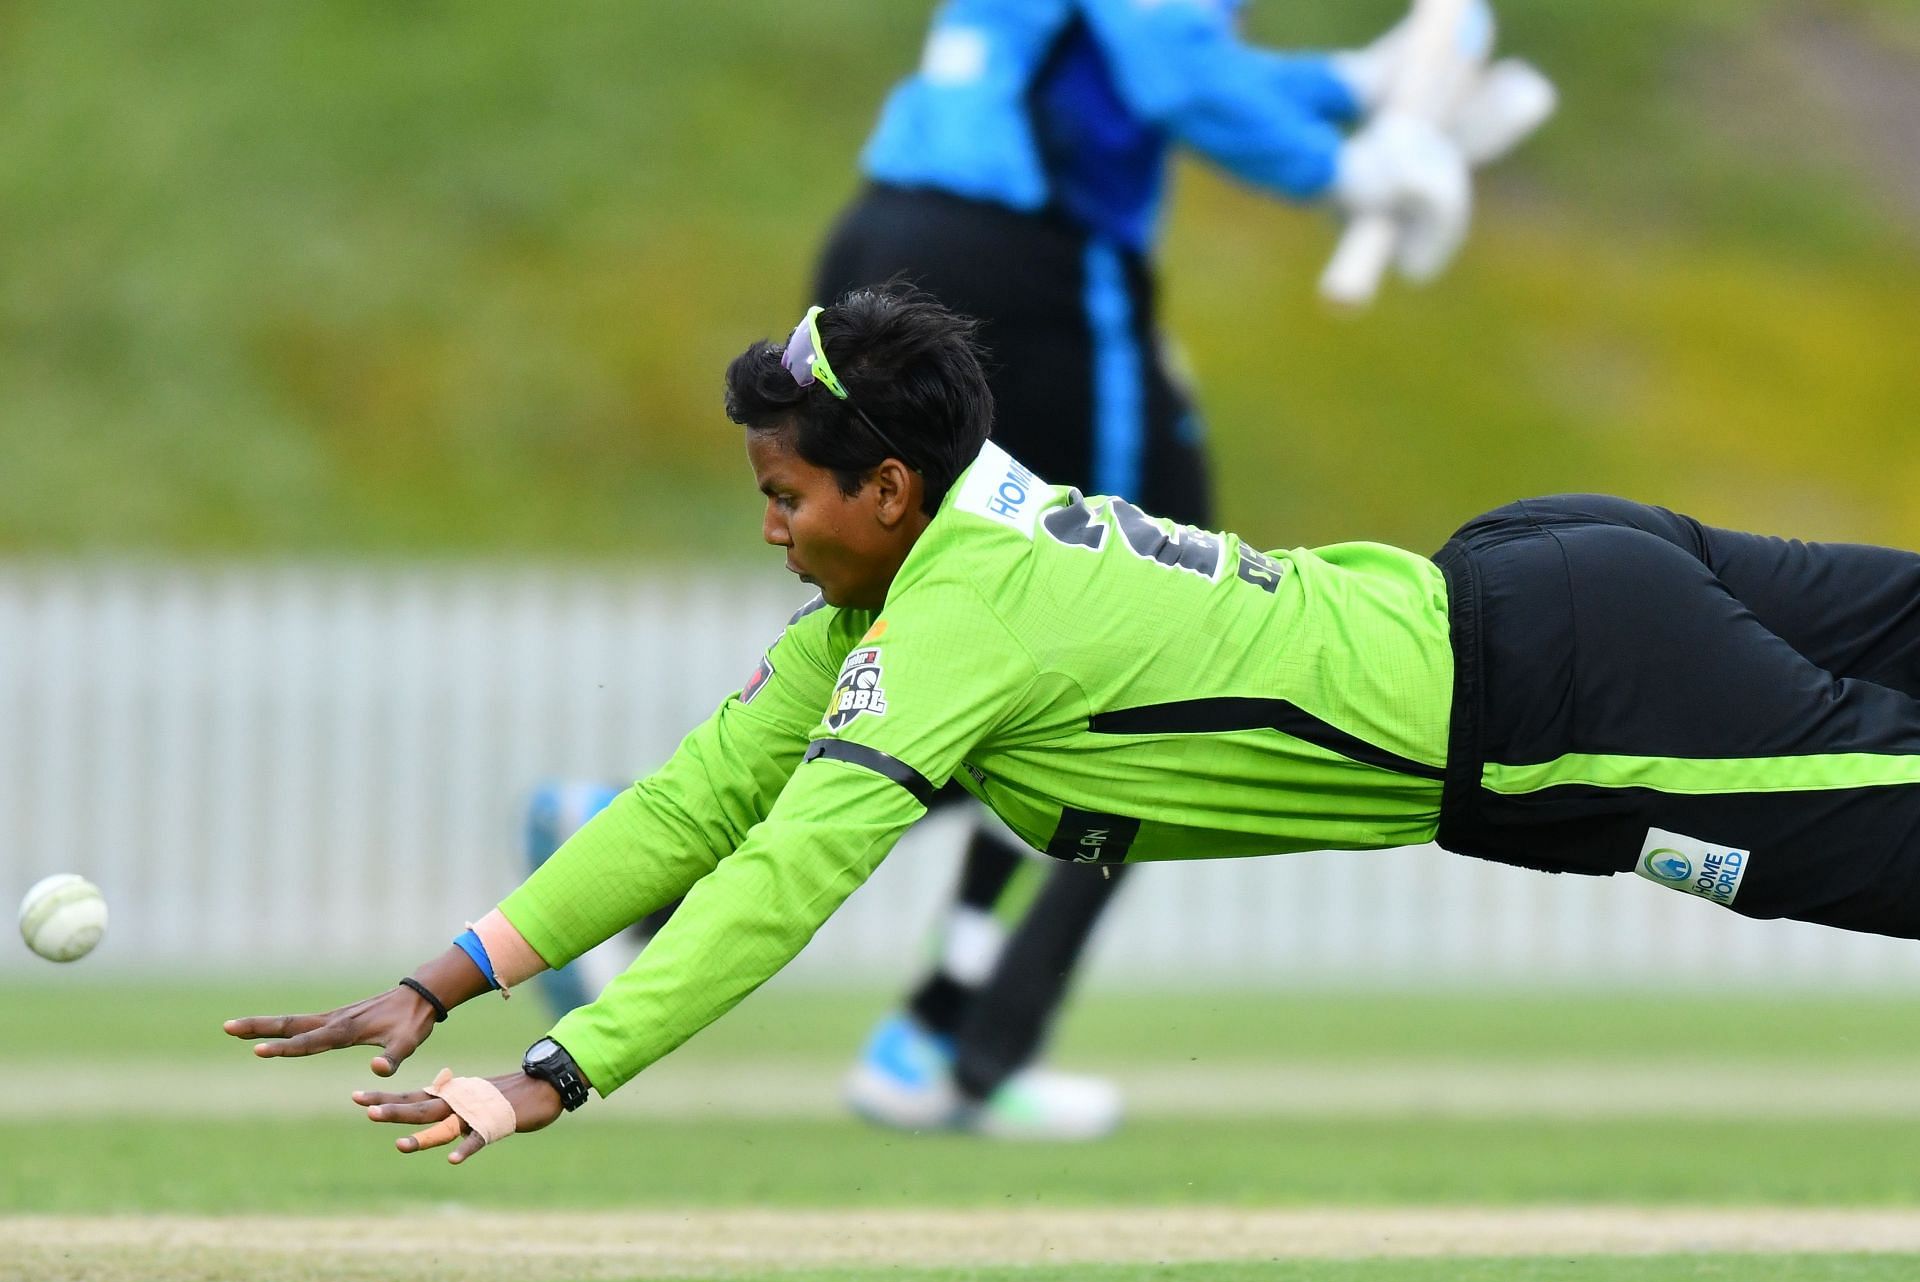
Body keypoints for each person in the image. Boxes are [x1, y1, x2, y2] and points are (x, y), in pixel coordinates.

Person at [228, 289, 1920, 1164]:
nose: (771, 527)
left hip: (1573, 707)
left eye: (785, 493)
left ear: (885, 485)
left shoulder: (957, 620)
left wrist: (552, 1071)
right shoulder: (924, 573)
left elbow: (793, 868)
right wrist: (448, 973)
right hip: (1549, 567)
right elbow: (697, 805)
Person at [527, 0, 1547, 1140]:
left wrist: (1353, 89)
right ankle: (948, 1035)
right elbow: (1168, 69)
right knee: (1155, 644)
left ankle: (677, 875)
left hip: (889, 253)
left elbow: (1118, 64)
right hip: (1028, 267)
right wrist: (1339, 168)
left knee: (988, 649)